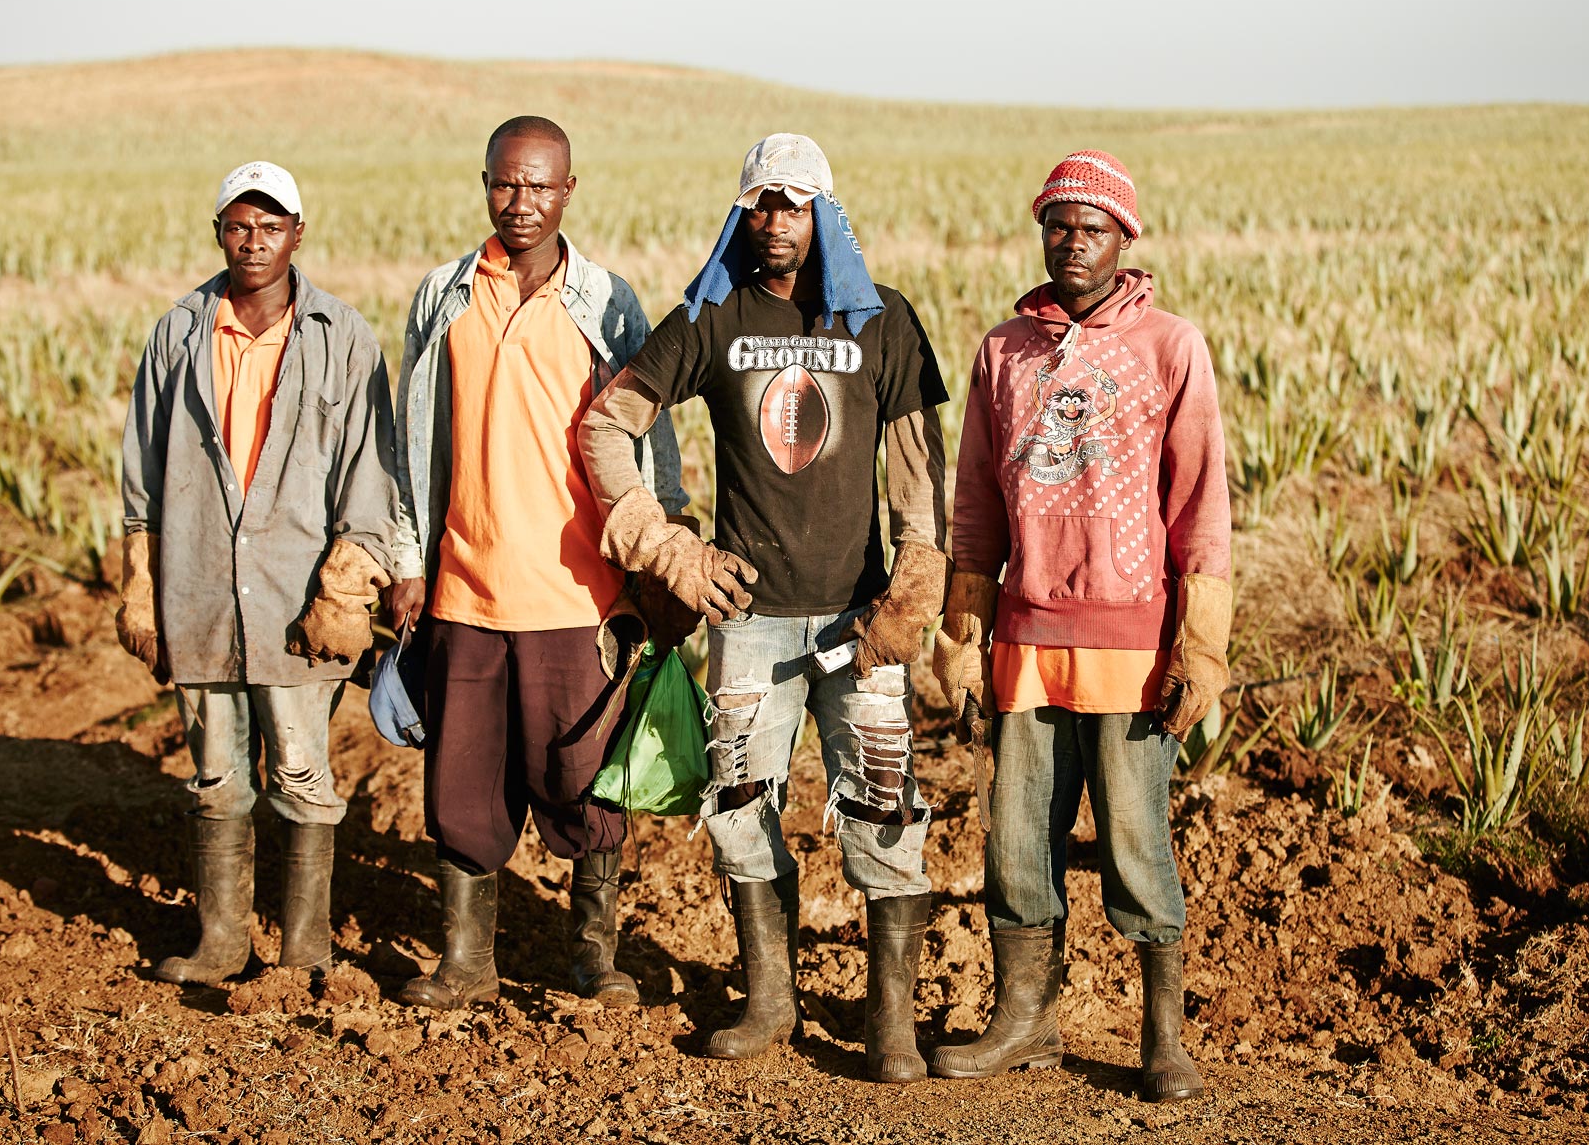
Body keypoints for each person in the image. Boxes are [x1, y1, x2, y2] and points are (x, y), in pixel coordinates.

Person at [579, 134, 950, 1083]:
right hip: (746, 620)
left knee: (883, 809)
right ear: (743, 211)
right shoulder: (713, 316)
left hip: (860, 623)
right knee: (741, 808)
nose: (777, 222)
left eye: (795, 205)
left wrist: (914, 593)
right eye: (762, 205)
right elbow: (606, 424)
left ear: (825, 212)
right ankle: (771, 1003)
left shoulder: (883, 321)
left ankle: (892, 1027)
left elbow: (919, 477)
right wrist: (664, 547)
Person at [929, 150, 1230, 1101]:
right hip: (1025, 637)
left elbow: (1201, 506)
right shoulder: (1002, 352)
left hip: (1134, 643)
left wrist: (1203, 642)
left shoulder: (1171, 348)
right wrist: (962, 632)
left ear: (1124, 241)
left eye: (1092, 229)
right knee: (1017, 836)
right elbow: (974, 503)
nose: (1072, 243)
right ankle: (1025, 1020)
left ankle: (1162, 1035)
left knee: (1137, 837)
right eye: (1058, 226)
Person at [385, 116, 687, 1010]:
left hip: (573, 591)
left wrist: (651, 556)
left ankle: (593, 955)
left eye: (540, 187)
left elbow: (650, 436)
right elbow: (410, 441)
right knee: (463, 782)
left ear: (569, 192)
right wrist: (409, 556)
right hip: (466, 587)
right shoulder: (442, 296)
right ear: (484, 184)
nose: (521, 204)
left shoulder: (608, 302)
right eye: (504, 185)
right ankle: (466, 961)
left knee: (583, 776)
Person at [118, 160, 399, 985]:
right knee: (215, 777)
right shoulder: (178, 332)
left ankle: (305, 950)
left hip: (296, 603)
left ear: (297, 236)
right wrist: (140, 583)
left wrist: (348, 587)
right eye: (239, 226)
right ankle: (222, 942)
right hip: (198, 593)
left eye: (270, 227)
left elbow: (368, 473)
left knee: (304, 775)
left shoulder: (341, 337)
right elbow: (141, 476)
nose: (254, 241)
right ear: (219, 235)